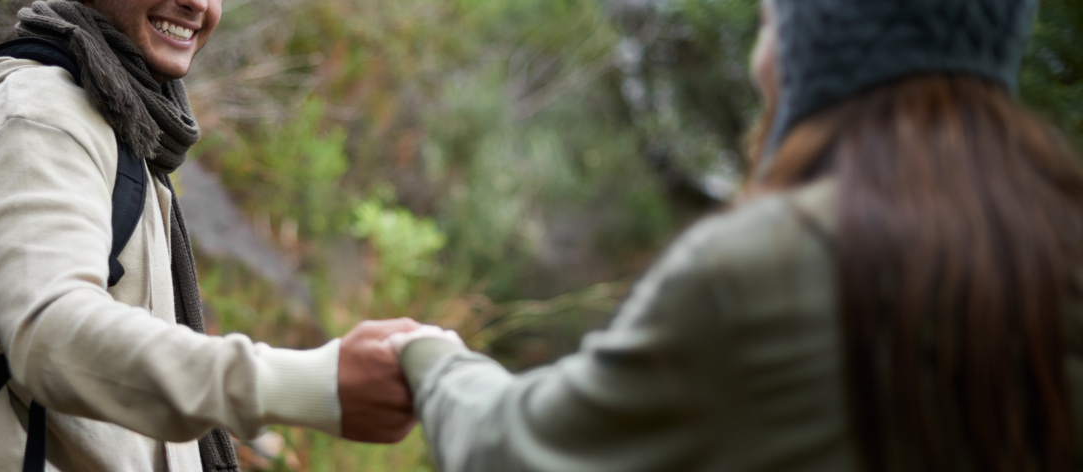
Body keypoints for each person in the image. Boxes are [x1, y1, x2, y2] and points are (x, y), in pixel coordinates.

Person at [384, 0, 1083, 471]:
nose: (758, 60)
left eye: (772, 22)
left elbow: (518, 453)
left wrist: (432, 363)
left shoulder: (767, 268)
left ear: (816, 47)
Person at [0, 0, 418, 470]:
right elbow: (53, 337)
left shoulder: (122, 117)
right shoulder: (39, 118)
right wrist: (311, 385)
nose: (196, 3)